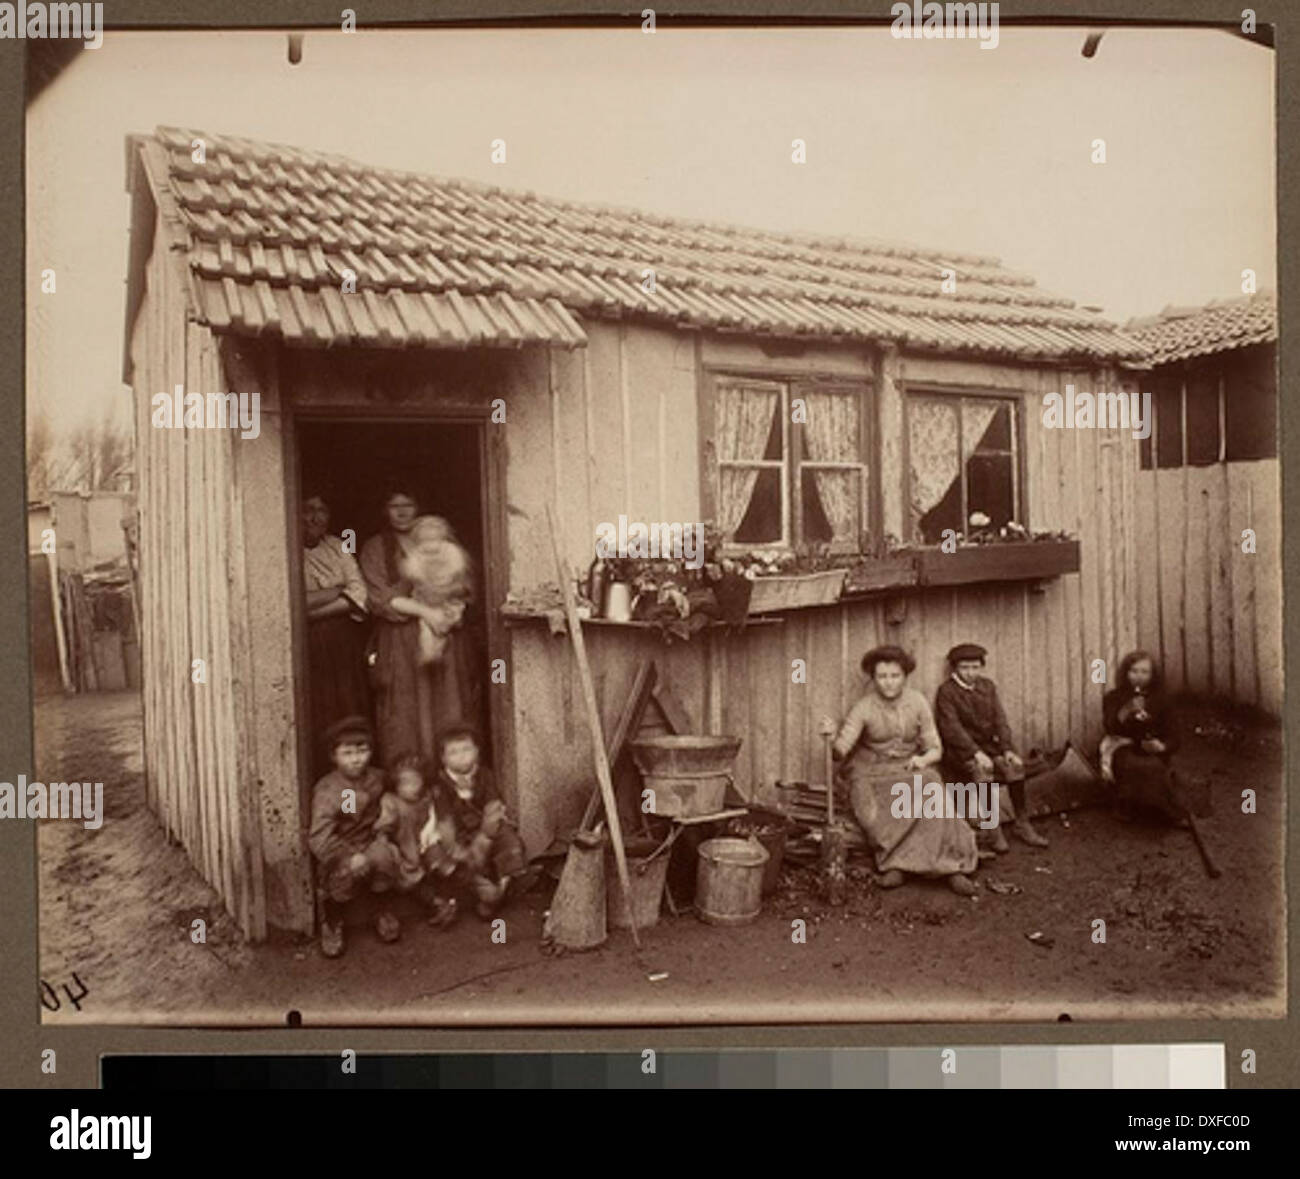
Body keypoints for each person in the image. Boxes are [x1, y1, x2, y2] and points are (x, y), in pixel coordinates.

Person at [820, 645, 979, 896]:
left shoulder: (917, 702)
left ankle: (952, 867)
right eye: (882, 677)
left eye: (894, 676)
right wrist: (830, 738)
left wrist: (924, 760)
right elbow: (841, 749)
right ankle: (896, 865)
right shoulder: (864, 707)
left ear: (905, 676)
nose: (888, 683)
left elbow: (935, 748)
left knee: (932, 784)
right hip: (872, 771)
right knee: (875, 809)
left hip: (909, 766)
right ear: (873, 679)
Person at [359, 485, 480, 768]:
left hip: (447, 635)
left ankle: (452, 777)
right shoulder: (375, 548)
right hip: (401, 641)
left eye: (408, 505)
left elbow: (466, 587)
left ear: (419, 508)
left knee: (451, 705)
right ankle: (411, 783)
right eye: (394, 506)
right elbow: (380, 599)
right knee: (405, 714)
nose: (401, 512)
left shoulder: (444, 545)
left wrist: (453, 610)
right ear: (384, 511)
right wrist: (427, 612)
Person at [934, 642, 1048, 854]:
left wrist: (1007, 749)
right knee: (982, 771)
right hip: (960, 751)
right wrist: (976, 753)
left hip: (989, 748)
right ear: (955, 669)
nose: (970, 673)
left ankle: (1022, 823)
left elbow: (1000, 720)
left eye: (975, 667)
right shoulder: (947, 692)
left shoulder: (987, 687)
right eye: (965, 668)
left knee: (1014, 767)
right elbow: (951, 729)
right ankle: (991, 828)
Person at [307, 716, 399, 958]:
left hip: (370, 841)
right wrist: (348, 856)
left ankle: (381, 908)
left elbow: (395, 795)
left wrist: (384, 827)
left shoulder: (378, 778)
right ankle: (333, 921)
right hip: (341, 848)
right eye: (347, 753)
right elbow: (319, 837)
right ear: (333, 757)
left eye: (362, 750)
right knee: (340, 875)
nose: (356, 759)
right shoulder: (328, 789)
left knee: (385, 857)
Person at [301, 492, 370, 776]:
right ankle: (323, 775)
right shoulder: (288, 550)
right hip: (307, 644)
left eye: (322, 510)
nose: (316, 517)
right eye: (308, 510)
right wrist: (335, 592)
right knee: (316, 706)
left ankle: (353, 773)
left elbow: (360, 595)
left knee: (348, 702)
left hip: (343, 643)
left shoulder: (339, 547)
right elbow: (291, 605)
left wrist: (311, 607)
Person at [431, 723, 528, 919]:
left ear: (477, 751)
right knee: (453, 859)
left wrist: (485, 836)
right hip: (458, 833)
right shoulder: (440, 783)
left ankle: (501, 889)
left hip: (486, 828)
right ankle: (481, 891)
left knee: (511, 843)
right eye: (454, 752)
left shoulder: (485, 775)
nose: (462, 756)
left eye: (467, 749)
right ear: (443, 758)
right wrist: (456, 848)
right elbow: (444, 819)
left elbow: (493, 806)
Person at [371, 753, 459, 929]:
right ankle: (384, 913)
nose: (412, 788)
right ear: (395, 785)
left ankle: (444, 904)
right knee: (401, 876)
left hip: (423, 846)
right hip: (402, 849)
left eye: (415, 782)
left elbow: (436, 820)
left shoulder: (426, 799)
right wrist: (386, 843)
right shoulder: (391, 801)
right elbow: (383, 827)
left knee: (441, 866)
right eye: (405, 783)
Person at [1102, 650, 1185, 824]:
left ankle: (1159, 811)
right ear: (1125, 673)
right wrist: (1126, 710)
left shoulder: (1163, 700)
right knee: (1135, 765)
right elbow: (1110, 727)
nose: (1139, 677)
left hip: (1152, 747)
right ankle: (1128, 807)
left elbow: (1175, 736)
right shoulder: (1114, 697)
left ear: (1153, 675)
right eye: (1134, 671)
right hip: (1122, 746)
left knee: (1153, 765)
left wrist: (1161, 746)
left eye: (1144, 672)